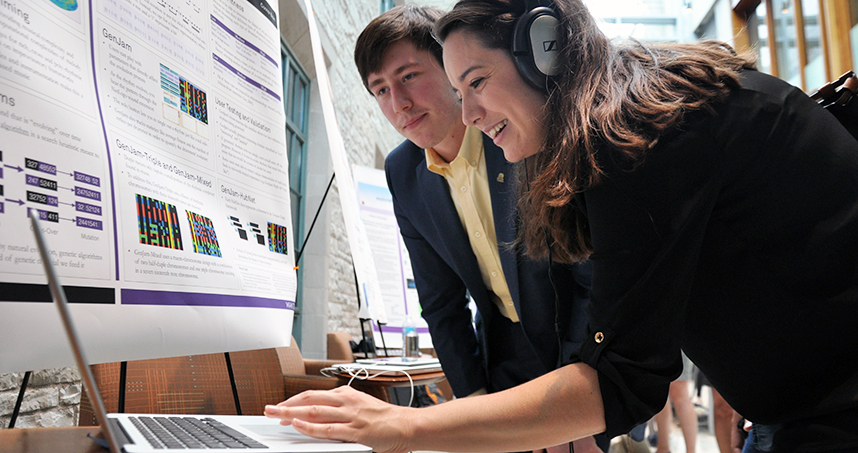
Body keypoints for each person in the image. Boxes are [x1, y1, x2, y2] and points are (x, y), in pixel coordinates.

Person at [266, 1, 858, 451]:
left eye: (475, 82)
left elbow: (623, 375)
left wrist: (406, 424)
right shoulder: (627, 113)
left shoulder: (636, 139)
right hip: (798, 403)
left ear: (544, 51)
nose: (469, 114)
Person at [352, 5, 603, 452]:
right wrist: (473, 399)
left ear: (450, 67)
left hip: (577, 337)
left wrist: (577, 406)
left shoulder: (515, 129)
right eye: (381, 89)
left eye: (409, 76)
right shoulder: (404, 171)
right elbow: (441, 301)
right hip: (502, 349)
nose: (399, 103)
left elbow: (589, 276)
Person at [652, 353, 696, 453]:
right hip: (654, 340)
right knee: (658, 389)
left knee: (679, 391)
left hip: (680, 341)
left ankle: (691, 451)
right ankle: (663, 448)